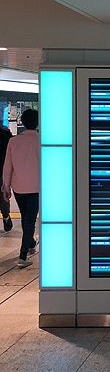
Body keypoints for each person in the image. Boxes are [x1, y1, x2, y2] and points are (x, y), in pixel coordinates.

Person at [2, 108, 40, 267]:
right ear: (38, 123)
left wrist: (6, 187)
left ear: (23, 123)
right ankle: (22, 256)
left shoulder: (14, 141)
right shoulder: (42, 141)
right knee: (30, 219)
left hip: (19, 187)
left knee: (26, 217)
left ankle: (30, 241)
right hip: (37, 187)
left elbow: (7, 167)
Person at [0, 125, 13, 231]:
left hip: (3, 170)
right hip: (2, 170)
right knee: (3, 197)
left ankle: (6, 217)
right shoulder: (6, 134)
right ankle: (6, 217)